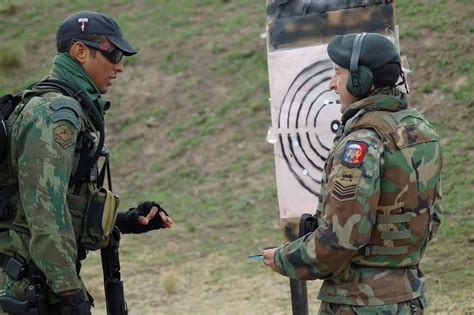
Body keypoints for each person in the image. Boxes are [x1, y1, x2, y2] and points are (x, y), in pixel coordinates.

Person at [0, 11, 173, 314]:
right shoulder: (56, 112)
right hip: (27, 289)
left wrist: (125, 222)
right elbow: (45, 214)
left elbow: (53, 205)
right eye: (113, 54)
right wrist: (70, 292)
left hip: (33, 281)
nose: (120, 66)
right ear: (80, 52)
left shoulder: (55, 106)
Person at [263, 32, 443, 314]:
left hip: (359, 304)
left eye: (338, 73)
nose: (332, 84)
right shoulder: (420, 132)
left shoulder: (362, 144)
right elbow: (432, 217)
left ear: (361, 79)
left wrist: (285, 258)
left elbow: (341, 238)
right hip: (409, 298)